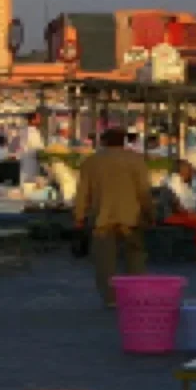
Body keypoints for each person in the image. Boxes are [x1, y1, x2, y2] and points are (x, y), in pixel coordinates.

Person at [74, 128, 154, 308]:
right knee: (135, 257)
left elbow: (82, 193)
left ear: (103, 141)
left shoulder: (91, 162)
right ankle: (135, 294)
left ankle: (111, 298)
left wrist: (79, 217)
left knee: (105, 262)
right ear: (124, 141)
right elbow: (144, 192)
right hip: (131, 217)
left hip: (102, 218)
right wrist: (150, 213)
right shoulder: (136, 160)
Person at [19, 112, 45, 185]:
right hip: (31, 166)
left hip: (27, 165)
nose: (40, 120)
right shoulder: (32, 132)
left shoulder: (26, 131)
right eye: (38, 118)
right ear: (33, 120)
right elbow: (39, 150)